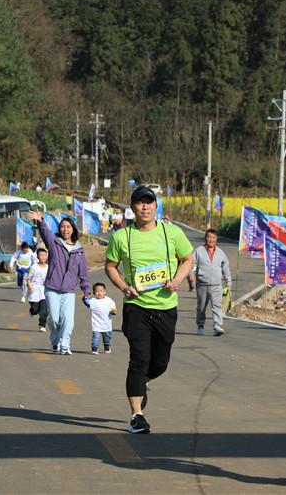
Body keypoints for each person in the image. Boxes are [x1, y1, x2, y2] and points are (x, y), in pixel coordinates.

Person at [105, 185, 194, 434]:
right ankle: (137, 415)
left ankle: (140, 383)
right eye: (140, 203)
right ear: (133, 208)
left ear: (156, 206)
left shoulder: (172, 233)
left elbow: (188, 259)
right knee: (139, 358)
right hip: (136, 307)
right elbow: (111, 266)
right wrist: (124, 286)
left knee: (160, 363)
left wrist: (177, 280)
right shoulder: (122, 237)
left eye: (149, 202)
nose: (145, 207)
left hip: (165, 306)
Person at [28, 210, 91, 355]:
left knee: (68, 320)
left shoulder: (79, 250)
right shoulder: (54, 242)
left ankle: (65, 345)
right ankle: (55, 339)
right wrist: (40, 221)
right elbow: (45, 232)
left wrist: (86, 290)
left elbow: (83, 273)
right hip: (52, 288)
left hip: (68, 290)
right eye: (63, 226)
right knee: (55, 319)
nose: (65, 229)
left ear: (73, 229)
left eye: (68, 227)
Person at [188, 229, 232, 336]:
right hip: (202, 285)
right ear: (205, 238)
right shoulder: (199, 251)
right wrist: (191, 276)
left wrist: (228, 282)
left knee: (217, 306)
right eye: (209, 237)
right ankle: (200, 325)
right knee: (201, 307)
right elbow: (191, 265)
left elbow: (225, 268)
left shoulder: (221, 253)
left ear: (216, 239)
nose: (211, 240)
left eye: (213, 238)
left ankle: (217, 326)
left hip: (217, 285)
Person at [88, 282, 117, 355]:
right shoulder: (93, 301)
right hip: (96, 324)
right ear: (94, 293)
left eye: (101, 291)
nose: (99, 293)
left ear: (105, 292)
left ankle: (107, 347)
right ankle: (94, 348)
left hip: (107, 324)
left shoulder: (109, 300)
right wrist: (84, 298)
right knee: (95, 337)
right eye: (97, 291)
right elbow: (87, 303)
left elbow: (113, 308)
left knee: (107, 337)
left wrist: (113, 311)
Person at [26, 247, 50, 332]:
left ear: (47, 256)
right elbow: (28, 278)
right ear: (37, 256)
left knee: (44, 310)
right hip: (34, 289)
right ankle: (32, 311)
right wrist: (29, 286)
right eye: (41, 255)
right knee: (35, 309)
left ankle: (42, 325)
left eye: (44, 255)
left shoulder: (48, 267)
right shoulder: (34, 267)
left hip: (44, 290)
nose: (43, 257)